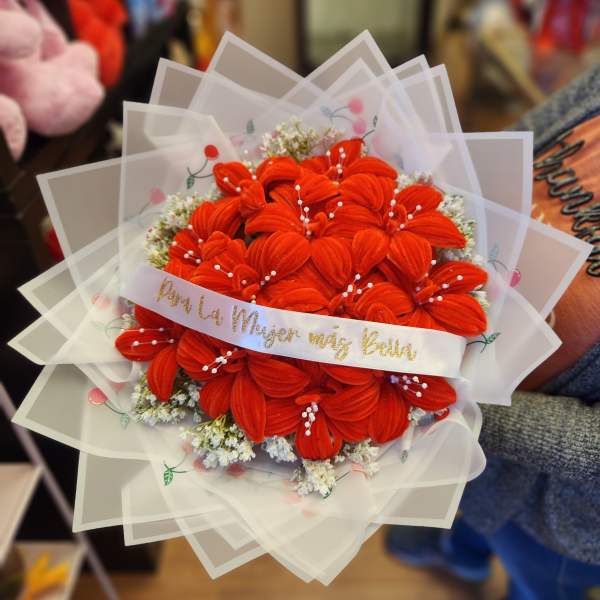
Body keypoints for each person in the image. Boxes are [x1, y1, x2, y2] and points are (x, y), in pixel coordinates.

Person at [386, 64, 600, 600]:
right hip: (447, 400)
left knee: (535, 582)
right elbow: (510, 154)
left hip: (553, 512)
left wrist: (449, 400)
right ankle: (460, 553)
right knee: (465, 513)